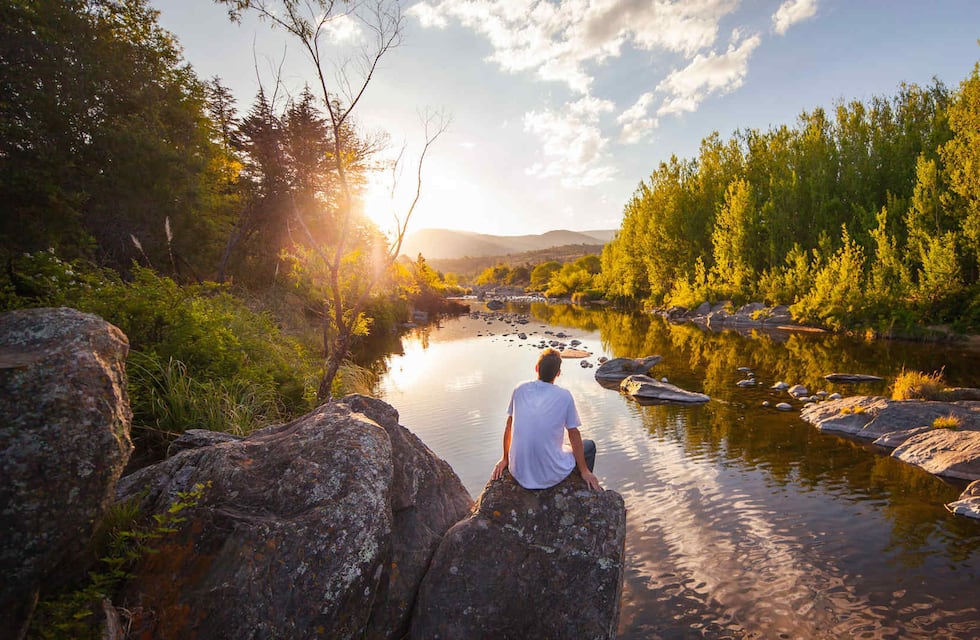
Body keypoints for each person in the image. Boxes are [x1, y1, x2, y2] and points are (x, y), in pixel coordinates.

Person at [491, 347, 601, 491]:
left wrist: (505, 458)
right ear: (558, 373)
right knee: (589, 446)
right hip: (550, 474)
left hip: (518, 470)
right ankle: (583, 486)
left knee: (559, 444)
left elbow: (509, 426)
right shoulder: (564, 395)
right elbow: (573, 433)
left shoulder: (520, 389)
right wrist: (585, 470)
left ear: (536, 368)